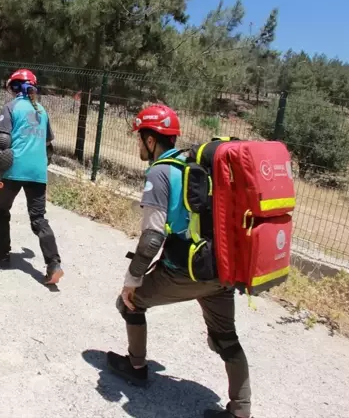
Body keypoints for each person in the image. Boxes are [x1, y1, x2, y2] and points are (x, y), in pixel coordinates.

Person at [107, 104, 252, 418]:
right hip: (222, 269)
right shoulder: (194, 166)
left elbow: (152, 238)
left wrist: (130, 282)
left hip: (185, 271)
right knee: (227, 338)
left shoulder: (160, 172)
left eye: (140, 138)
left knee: (129, 303)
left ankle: (136, 367)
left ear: (150, 140)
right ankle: (241, 411)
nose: (138, 144)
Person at [0, 69, 64, 285]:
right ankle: (53, 263)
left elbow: (3, 142)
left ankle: (1, 254)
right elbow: (49, 147)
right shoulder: (42, 111)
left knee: (1, 210)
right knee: (38, 219)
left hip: (13, 170)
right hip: (38, 172)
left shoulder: (11, 107)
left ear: (15, 87)